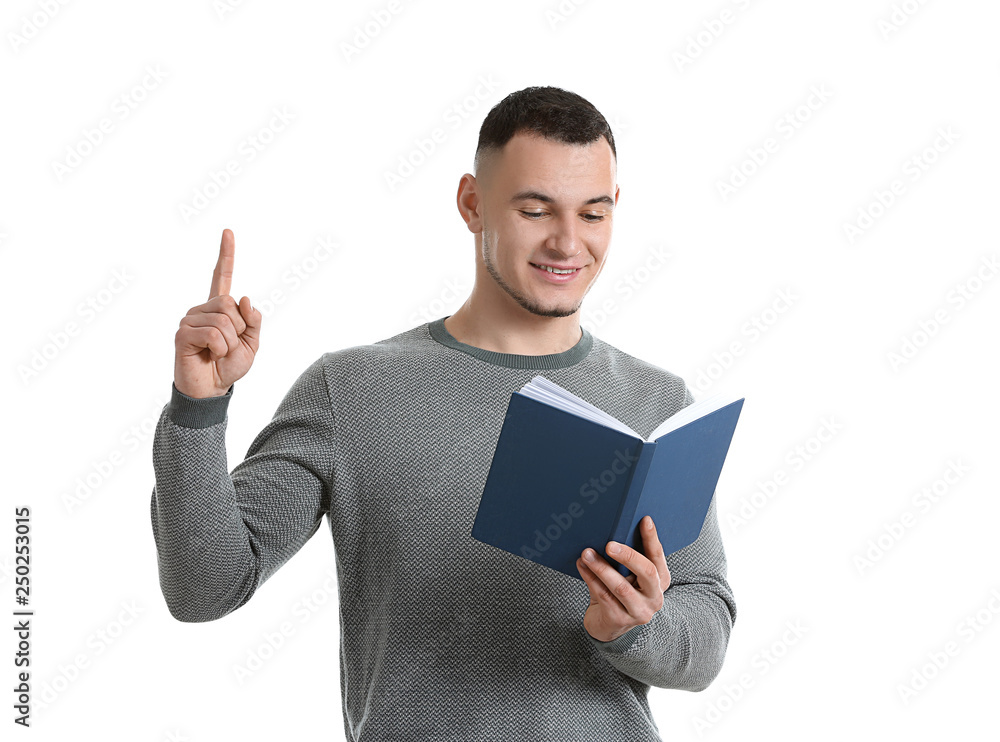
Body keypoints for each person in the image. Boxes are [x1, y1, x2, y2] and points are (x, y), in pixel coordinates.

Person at [150, 85, 737, 741]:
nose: (568, 242)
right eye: (536, 210)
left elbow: (706, 628)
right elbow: (204, 587)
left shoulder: (657, 404)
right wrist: (198, 408)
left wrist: (636, 627)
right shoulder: (352, 389)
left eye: (593, 214)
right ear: (472, 203)